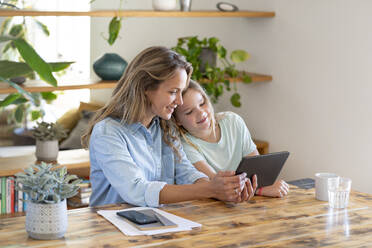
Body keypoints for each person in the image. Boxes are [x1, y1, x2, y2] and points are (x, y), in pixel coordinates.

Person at [81, 46, 257, 207]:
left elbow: (185, 172)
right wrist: (211, 189)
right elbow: (137, 190)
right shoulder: (108, 132)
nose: (179, 101)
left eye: (181, 92)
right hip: (112, 230)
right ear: (146, 87)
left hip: (159, 223)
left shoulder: (165, 126)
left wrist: (220, 189)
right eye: (173, 92)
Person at [173, 80, 289, 198]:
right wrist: (260, 190)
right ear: (177, 120)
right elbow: (215, 185)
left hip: (244, 201)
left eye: (202, 103)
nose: (201, 113)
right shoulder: (185, 145)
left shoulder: (232, 121)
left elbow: (257, 169)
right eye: (189, 112)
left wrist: (262, 185)